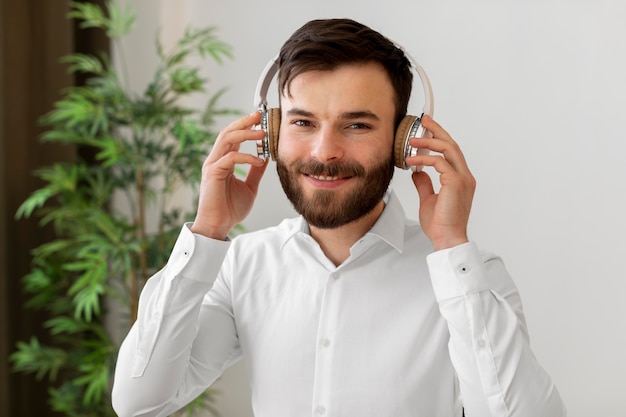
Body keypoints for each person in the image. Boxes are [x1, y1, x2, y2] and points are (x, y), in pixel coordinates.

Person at [112, 18, 566, 417]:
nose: (324, 152)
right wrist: (208, 232)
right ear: (270, 133)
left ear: (403, 142)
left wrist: (450, 244)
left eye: (358, 125)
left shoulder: (470, 275)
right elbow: (140, 401)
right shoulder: (240, 267)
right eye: (303, 123)